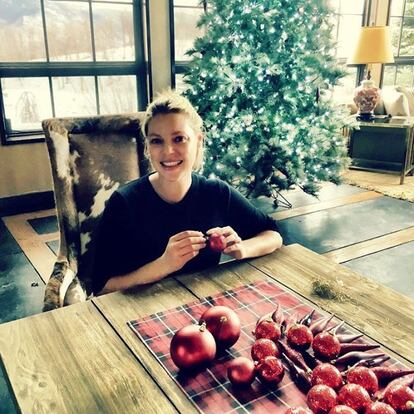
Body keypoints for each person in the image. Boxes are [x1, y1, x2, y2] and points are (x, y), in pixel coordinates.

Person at [92, 91, 283, 295]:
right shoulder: (124, 203)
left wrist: (243, 248)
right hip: (141, 313)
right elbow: (101, 287)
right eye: (157, 141)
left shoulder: (216, 193)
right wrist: (163, 265)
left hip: (205, 307)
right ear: (147, 148)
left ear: (198, 141)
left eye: (179, 139)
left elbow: (273, 235)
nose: (168, 151)